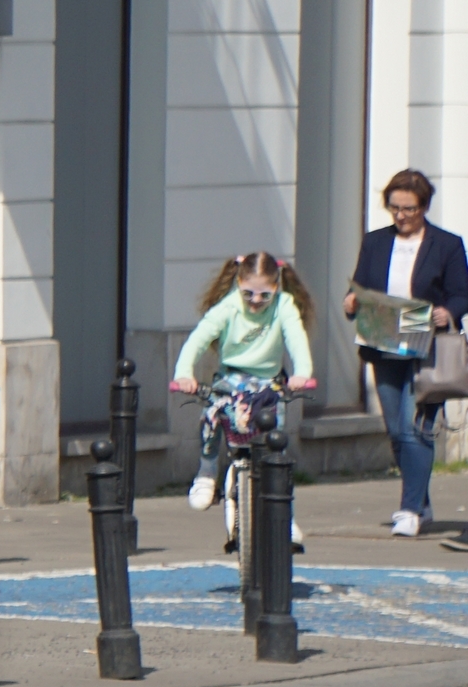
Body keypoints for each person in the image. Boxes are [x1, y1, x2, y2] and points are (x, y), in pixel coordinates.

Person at [343, 169, 468, 537]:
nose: (401, 216)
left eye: (409, 209)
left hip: (426, 342)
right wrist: (351, 302)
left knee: (416, 429)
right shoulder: (375, 242)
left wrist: (451, 311)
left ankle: (410, 509)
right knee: (397, 430)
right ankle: (421, 502)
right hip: (383, 342)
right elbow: (361, 285)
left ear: (424, 207)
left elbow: (461, 292)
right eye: (395, 208)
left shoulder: (446, 244)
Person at [169, 252, 317, 514]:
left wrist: (302, 373)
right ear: (239, 283)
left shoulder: (284, 306)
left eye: (264, 295)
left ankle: (284, 517)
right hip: (231, 377)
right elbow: (197, 340)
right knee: (212, 414)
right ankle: (207, 471)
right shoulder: (228, 307)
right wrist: (184, 374)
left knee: (275, 443)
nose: (256, 301)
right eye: (248, 293)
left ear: (275, 287)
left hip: (268, 382)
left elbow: (296, 339)